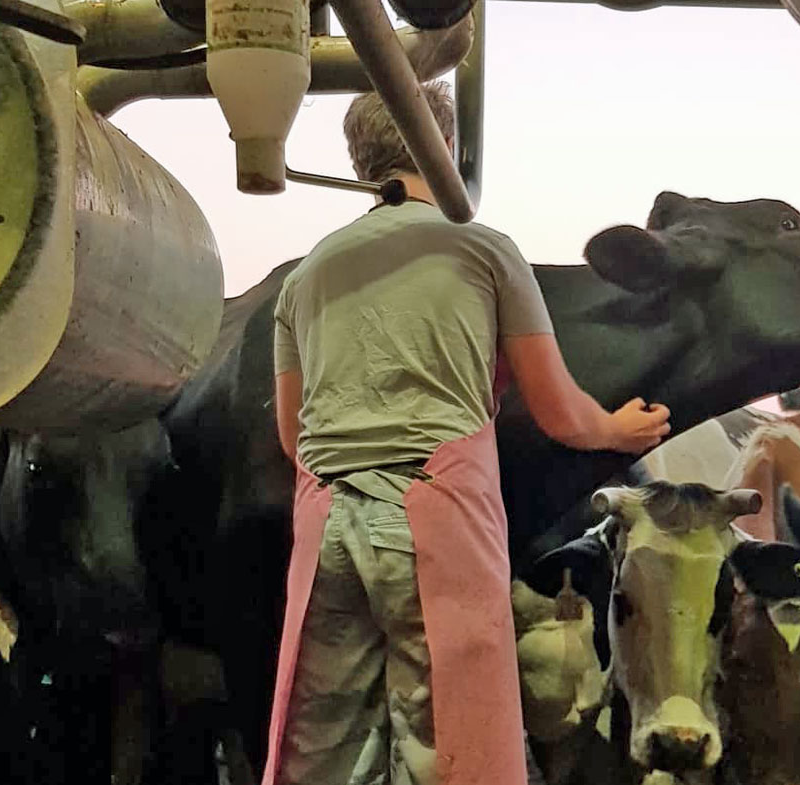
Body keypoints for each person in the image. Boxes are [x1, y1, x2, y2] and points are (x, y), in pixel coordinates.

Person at [263, 80, 672, 785]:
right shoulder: (482, 248)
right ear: (442, 145)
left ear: (361, 162)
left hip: (326, 525)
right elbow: (558, 412)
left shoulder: (304, 278)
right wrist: (616, 427)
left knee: (323, 751)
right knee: (449, 749)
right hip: (436, 521)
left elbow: (293, 437)